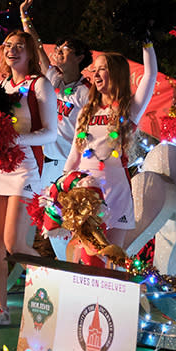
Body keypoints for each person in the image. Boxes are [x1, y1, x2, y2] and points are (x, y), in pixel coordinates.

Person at [0, 30, 58, 329]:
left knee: (14, 242)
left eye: (19, 47)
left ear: (30, 53)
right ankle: (1, 308)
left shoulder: (41, 84)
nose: (12, 51)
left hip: (26, 165)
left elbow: (50, 132)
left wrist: (16, 139)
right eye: (8, 46)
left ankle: (55, 289)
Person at [64, 41, 158, 266]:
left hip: (116, 189)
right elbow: (74, 154)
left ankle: (108, 300)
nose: (95, 74)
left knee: (113, 257)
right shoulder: (87, 111)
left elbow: (150, 76)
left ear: (116, 73)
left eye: (102, 69)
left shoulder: (129, 107)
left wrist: (146, 44)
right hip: (86, 191)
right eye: (94, 69)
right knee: (88, 256)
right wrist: (63, 185)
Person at [19, 0, 92, 259]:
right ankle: (60, 268)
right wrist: (24, 16)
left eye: (65, 50)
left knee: (71, 224)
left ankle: (75, 270)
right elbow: (36, 46)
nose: (59, 54)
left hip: (70, 167)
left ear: (80, 57)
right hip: (47, 165)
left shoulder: (86, 92)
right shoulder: (53, 79)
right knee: (49, 225)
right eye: (58, 49)